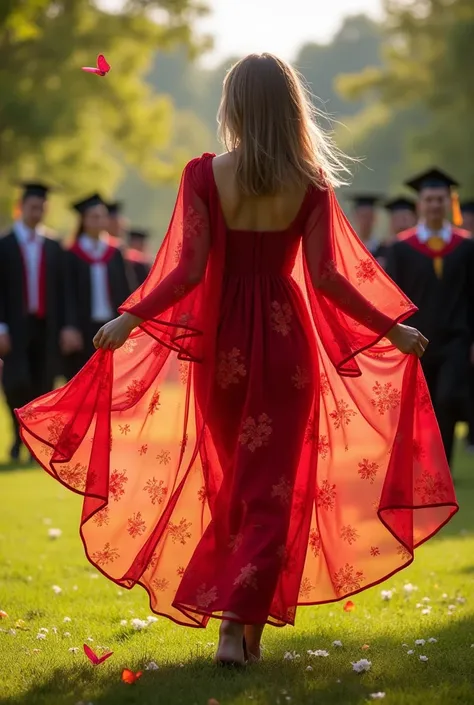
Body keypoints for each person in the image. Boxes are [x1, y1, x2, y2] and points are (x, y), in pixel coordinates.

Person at [16, 54, 456, 667]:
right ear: (290, 107)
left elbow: (186, 270)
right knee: (273, 491)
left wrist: (128, 318)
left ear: (237, 107)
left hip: (221, 347)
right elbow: (328, 277)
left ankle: (240, 630)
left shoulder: (205, 174)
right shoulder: (311, 183)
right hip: (285, 344)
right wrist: (393, 328)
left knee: (235, 487)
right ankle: (237, 627)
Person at [385, 168, 474, 468]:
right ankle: (422, 465)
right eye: (429, 199)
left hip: (456, 341)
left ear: (449, 203)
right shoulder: (401, 249)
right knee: (422, 405)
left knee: (448, 398)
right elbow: (394, 298)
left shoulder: (466, 247)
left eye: (440, 199)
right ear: (420, 204)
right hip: (417, 340)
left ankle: (442, 466)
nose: (435, 205)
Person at [0, 183, 81, 461]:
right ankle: (17, 435)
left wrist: (68, 326)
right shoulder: (5, 245)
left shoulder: (53, 246)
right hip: (14, 325)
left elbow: (65, 290)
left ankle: (35, 441)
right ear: (21, 207)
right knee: (15, 383)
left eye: (42, 208)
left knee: (43, 384)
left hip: (47, 326)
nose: (37, 213)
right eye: (33, 207)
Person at [61, 193, 131, 380]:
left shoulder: (115, 252)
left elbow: (127, 289)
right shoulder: (71, 254)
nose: (98, 221)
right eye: (93, 216)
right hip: (82, 328)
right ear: (83, 220)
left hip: (112, 323)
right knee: (81, 378)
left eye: (102, 216)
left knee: (110, 379)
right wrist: (70, 326)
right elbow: (66, 294)